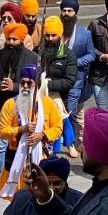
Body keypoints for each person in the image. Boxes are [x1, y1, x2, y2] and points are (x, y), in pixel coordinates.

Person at [0, 65, 62, 200]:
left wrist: (42, 135)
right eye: (22, 82)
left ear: (36, 84)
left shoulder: (47, 104)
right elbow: (2, 132)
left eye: (29, 83)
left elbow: (57, 128)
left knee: (39, 199)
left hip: (40, 161)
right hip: (16, 160)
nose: (25, 86)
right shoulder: (10, 104)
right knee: (16, 201)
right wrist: (21, 129)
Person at [0, 23, 38, 182]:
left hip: (23, 107)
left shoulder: (31, 57)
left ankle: (19, 177)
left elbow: (36, 83)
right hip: (0, 105)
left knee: (20, 144)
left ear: (21, 40)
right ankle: (2, 180)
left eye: (15, 39)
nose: (11, 43)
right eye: (9, 39)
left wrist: (14, 86)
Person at [59, 0, 95, 156]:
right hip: (56, 80)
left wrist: (75, 62)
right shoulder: (55, 31)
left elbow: (91, 55)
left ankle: (70, 143)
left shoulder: (84, 34)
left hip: (75, 81)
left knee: (69, 112)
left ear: (75, 13)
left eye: (70, 11)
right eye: (64, 10)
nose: (66, 14)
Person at [39, 16, 77, 156]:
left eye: (53, 35)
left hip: (59, 99)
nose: (50, 38)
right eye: (47, 35)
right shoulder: (39, 51)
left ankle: (55, 154)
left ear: (59, 35)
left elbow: (69, 81)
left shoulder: (68, 56)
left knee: (56, 128)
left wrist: (48, 84)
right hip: (39, 99)